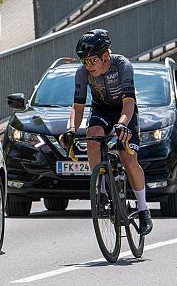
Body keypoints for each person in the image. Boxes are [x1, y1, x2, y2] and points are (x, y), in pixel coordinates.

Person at [60, 29, 153, 235]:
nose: (88, 66)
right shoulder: (82, 73)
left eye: (92, 61)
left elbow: (129, 104)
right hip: (102, 110)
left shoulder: (123, 66)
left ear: (105, 56)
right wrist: (71, 129)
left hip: (124, 111)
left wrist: (122, 125)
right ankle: (101, 191)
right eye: (84, 62)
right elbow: (77, 108)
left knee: (129, 159)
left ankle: (143, 208)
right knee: (92, 134)